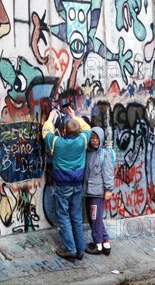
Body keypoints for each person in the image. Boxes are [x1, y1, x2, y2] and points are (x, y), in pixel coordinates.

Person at [42, 106, 91, 261]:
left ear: (63, 131)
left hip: (63, 185)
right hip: (77, 184)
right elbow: (87, 128)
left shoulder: (57, 143)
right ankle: (80, 249)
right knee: (76, 216)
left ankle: (70, 248)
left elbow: (46, 132)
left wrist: (50, 118)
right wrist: (74, 117)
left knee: (63, 215)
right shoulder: (82, 140)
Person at [83, 127, 114, 255]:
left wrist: (108, 190)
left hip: (97, 192)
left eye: (96, 138)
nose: (94, 141)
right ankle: (105, 242)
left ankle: (98, 245)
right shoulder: (89, 153)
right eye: (92, 138)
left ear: (101, 139)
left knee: (95, 218)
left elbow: (108, 173)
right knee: (95, 219)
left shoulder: (104, 154)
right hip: (88, 191)